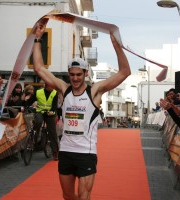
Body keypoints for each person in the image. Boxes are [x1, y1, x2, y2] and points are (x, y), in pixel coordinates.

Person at [32, 22, 131, 200]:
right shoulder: (64, 89)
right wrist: (37, 38)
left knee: (84, 197)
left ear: (85, 73)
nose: (75, 78)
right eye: (72, 74)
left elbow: (124, 72)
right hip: (66, 151)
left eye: (79, 74)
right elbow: (39, 68)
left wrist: (117, 47)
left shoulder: (95, 91)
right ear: (69, 74)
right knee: (68, 197)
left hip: (86, 153)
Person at [28, 82, 59, 160]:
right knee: (38, 121)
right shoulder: (38, 92)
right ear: (47, 86)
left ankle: (55, 152)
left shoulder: (55, 93)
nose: (53, 88)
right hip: (40, 111)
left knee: (52, 132)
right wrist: (25, 105)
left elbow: (54, 105)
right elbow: (30, 100)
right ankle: (35, 135)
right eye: (52, 86)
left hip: (50, 114)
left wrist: (52, 111)